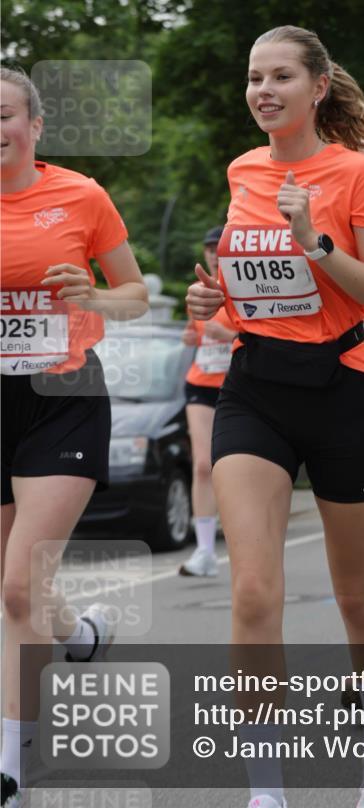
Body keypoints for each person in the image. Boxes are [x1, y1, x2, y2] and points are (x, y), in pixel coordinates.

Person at [186, 26, 364, 808]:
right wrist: (212, 298)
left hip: (345, 387)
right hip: (256, 388)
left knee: (358, 596)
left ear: (317, 88)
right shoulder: (242, 169)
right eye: (253, 78)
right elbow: (246, 278)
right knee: (253, 592)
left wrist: (315, 241)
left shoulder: (355, 176)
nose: (263, 91)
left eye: (280, 76)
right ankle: (266, 791)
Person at [1, 67, 148, 806]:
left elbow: (135, 293)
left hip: (62, 395)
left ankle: (11, 771)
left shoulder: (80, 196)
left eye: (3, 115)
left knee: (18, 585)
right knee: (17, 592)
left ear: (34, 125)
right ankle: (81, 629)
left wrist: (93, 296)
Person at [179, 226, 237, 578]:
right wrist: (192, 336)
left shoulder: (243, 287)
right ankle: (204, 551)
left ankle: (244, 541)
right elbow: (196, 332)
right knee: (202, 465)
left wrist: (229, 335)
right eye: (209, 248)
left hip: (237, 386)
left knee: (228, 469)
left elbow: (265, 337)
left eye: (219, 247)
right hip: (200, 384)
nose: (214, 253)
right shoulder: (199, 291)